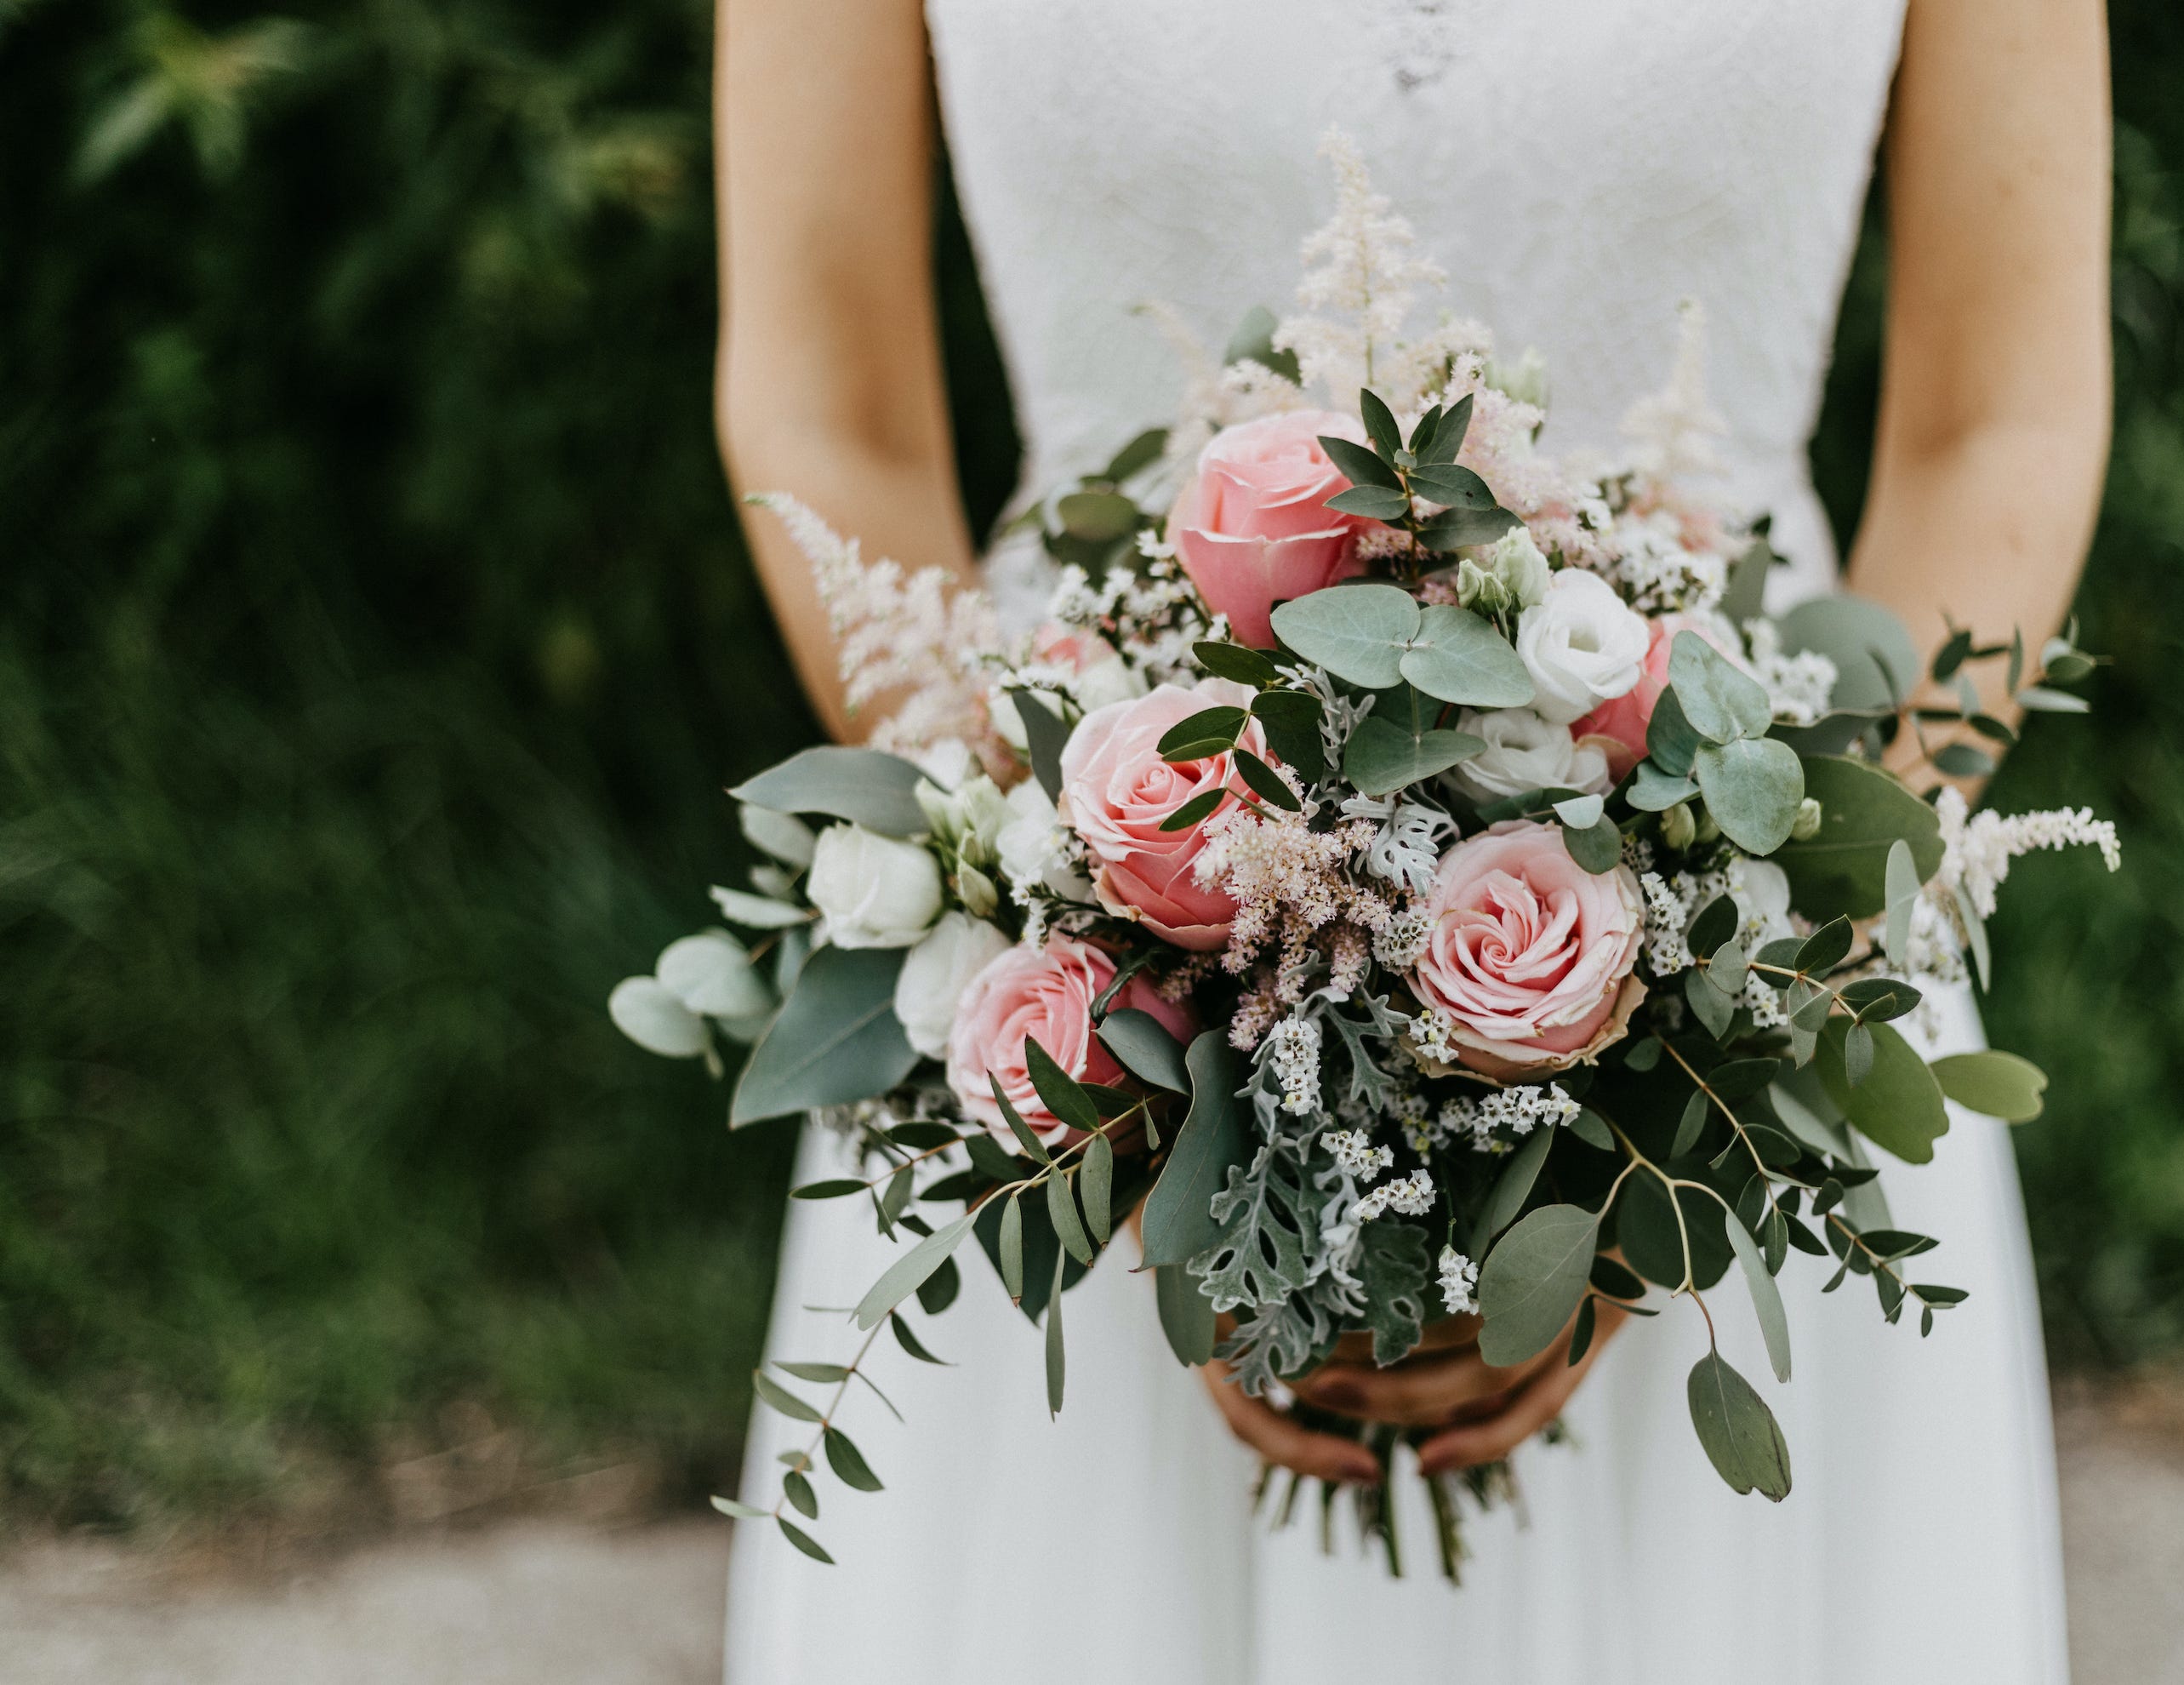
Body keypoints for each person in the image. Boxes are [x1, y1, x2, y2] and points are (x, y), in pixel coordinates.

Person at [714, 3, 2108, 1681]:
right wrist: (1078, 937)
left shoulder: (1750, 1025)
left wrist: (1743, 1007)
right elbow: (830, 408)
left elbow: (1998, 424)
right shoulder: (1089, 1012)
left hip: (1749, 1063)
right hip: (1091, 1086)